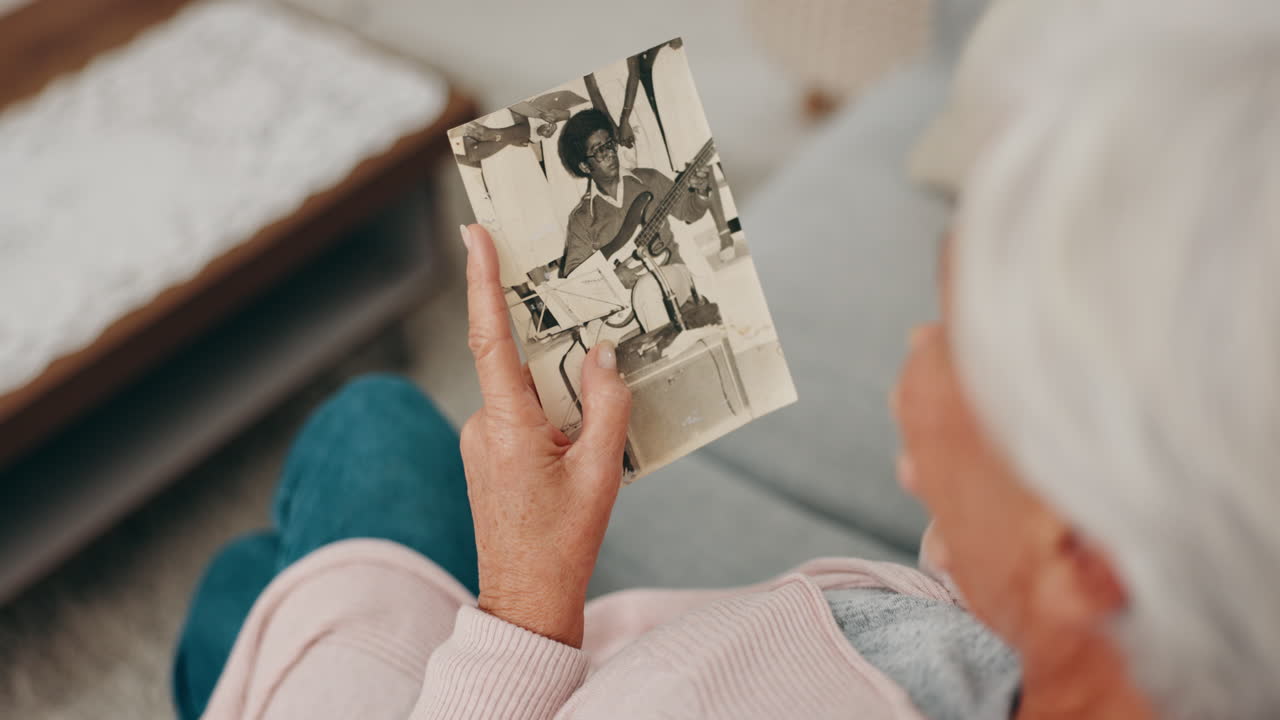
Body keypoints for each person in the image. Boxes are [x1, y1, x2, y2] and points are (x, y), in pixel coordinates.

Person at [174, 2, 1280, 718]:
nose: (916, 346)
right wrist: (976, 573)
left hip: (531, 677)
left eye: (958, 342)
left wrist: (522, 604)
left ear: (1080, 552)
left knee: (366, 430)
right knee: (258, 586)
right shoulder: (1104, 646)